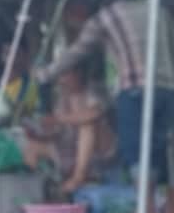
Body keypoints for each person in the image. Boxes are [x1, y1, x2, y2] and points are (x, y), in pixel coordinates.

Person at [42, 0, 174, 183]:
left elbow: (77, 52)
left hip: (135, 91)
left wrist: (45, 74)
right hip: (167, 91)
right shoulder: (158, 11)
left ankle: (147, 209)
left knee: (136, 151)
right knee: (157, 152)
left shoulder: (106, 16)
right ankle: (157, 205)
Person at [17, 63, 114, 197]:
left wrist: (58, 118)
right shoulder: (62, 97)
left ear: (78, 73)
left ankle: (78, 177)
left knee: (87, 125)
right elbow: (59, 130)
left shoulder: (93, 90)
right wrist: (40, 133)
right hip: (71, 149)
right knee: (33, 147)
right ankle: (30, 194)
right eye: (61, 76)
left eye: (65, 75)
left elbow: (94, 113)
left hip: (99, 149)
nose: (62, 80)